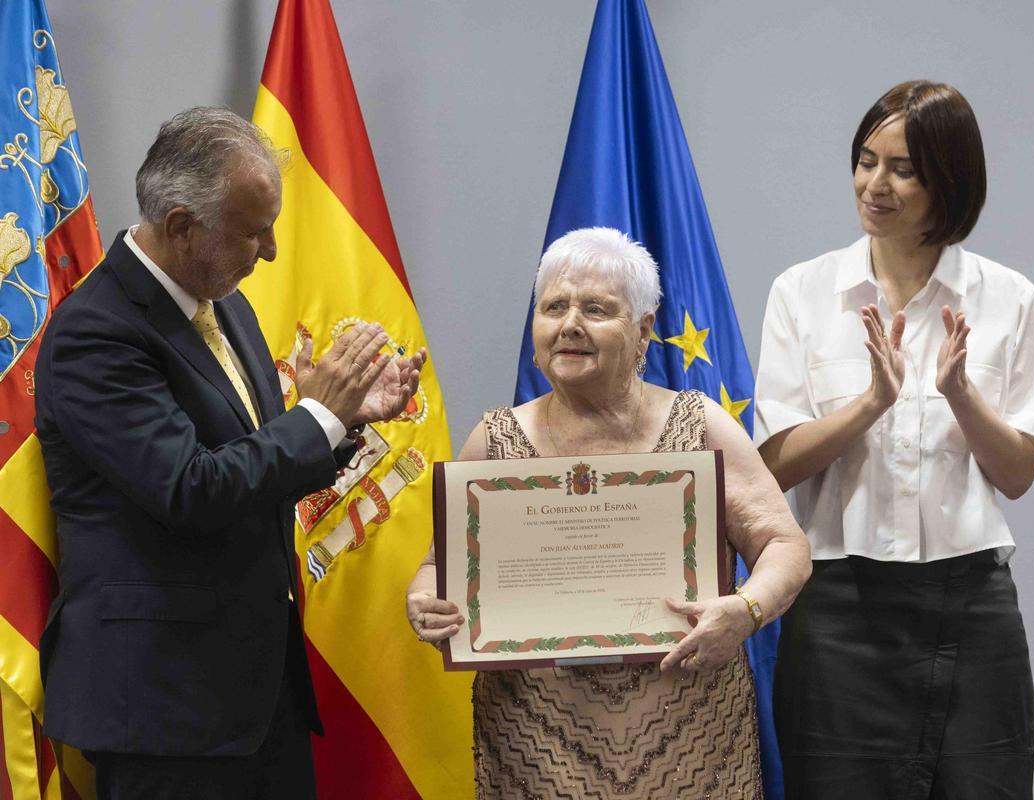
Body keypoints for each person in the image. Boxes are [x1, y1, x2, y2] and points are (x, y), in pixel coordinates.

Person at [34, 107, 425, 800]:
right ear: (182, 227)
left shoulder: (226, 303)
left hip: (255, 694)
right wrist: (315, 415)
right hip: (164, 709)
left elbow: (251, 464)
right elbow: (192, 489)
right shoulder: (95, 334)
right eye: (253, 230)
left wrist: (341, 424)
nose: (271, 250)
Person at [406, 227, 811, 799]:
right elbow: (436, 567)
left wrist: (746, 611)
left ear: (643, 328)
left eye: (595, 309)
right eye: (554, 307)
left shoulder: (701, 429)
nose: (569, 324)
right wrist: (425, 602)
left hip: (691, 743)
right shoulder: (494, 441)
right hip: (538, 743)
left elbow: (785, 546)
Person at [754, 81, 1034, 799]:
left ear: (949, 181)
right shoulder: (801, 292)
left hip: (972, 607)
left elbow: (1017, 473)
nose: (875, 184)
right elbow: (774, 464)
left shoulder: (1009, 299)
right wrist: (871, 404)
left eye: (902, 169)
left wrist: (961, 395)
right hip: (838, 608)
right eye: (865, 161)